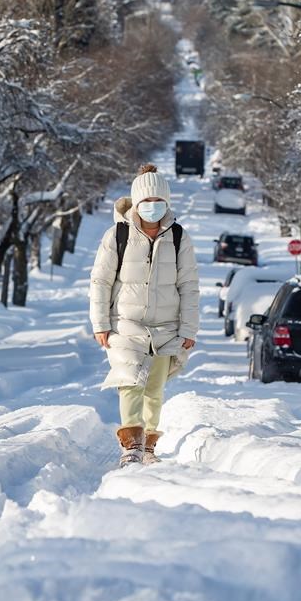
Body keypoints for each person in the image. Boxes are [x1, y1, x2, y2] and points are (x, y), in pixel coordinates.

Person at [89, 162, 199, 467]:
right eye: (147, 201)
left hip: (166, 326)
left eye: (158, 201)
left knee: (154, 389)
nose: (153, 207)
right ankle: (132, 447)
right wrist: (100, 323)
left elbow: (189, 285)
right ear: (137, 202)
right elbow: (100, 281)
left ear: (167, 203)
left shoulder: (179, 238)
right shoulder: (117, 235)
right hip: (126, 325)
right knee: (130, 383)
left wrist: (189, 328)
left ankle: (149, 446)